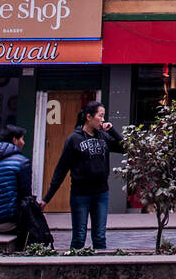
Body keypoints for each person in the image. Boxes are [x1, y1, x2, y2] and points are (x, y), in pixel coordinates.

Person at [43, 100, 125, 250]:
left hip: (101, 193)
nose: (102, 119)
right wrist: (47, 198)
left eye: (103, 116)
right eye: (100, 116)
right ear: (89, 117)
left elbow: (125, 148)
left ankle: (100, 271)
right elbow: (61, 170)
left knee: (100, 237)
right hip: (80, 194)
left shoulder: (104, 137)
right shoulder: (74, 139)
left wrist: (112, 130)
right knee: (79, 237)